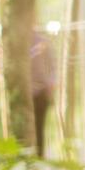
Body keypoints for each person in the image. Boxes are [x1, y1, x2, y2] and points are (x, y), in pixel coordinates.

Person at [29, 29, 57, 158]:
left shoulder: (43, 41)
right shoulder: (16, 40)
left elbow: (52, 66)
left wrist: (51, 85)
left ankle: (39, 156)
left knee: (39, 125)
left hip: (40, 91)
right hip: (25, 91)